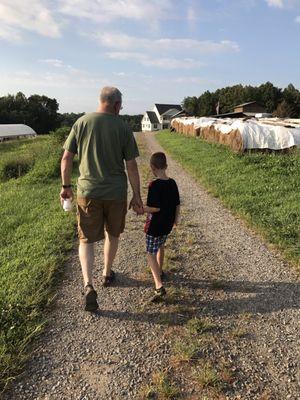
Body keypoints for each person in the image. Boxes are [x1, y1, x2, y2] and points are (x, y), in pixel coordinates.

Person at [60, 86, 143, 312]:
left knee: (86, 239)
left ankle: (88, 284)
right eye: (121, 106)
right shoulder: (123, 127)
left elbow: (66, 159)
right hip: (115, 193)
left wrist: (66, 186)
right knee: (112, 233)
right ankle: (107, 273)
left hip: (88, 192)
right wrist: (137, 194)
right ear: (116, 105)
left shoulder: (81, 123)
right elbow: (132, 165)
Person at [144, 152, 180, 302]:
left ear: (153, 167)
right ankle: (160, 270)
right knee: (161, 245)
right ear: (165, 166)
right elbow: (177, 204)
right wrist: (176, 220)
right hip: (167, 225)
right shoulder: (172, 183)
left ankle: (158, 285)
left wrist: (141, 208)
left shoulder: (154, 185)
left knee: (150, 252)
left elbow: (154, 208)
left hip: (155, 226)